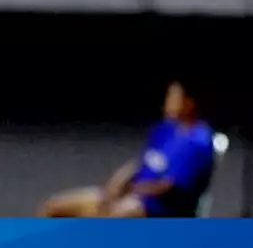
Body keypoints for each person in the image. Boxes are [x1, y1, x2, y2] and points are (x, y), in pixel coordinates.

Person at [40, 80, 217, 218]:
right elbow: (142, 162)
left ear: (189, 102)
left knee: (106, 222)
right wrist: (117, 183)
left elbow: (169, 188)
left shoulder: (199, 141)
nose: (168, 101)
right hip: (132, 194)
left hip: (155, 210)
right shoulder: (166, 128)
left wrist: (131, 191)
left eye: (173, 96)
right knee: (54, 207)